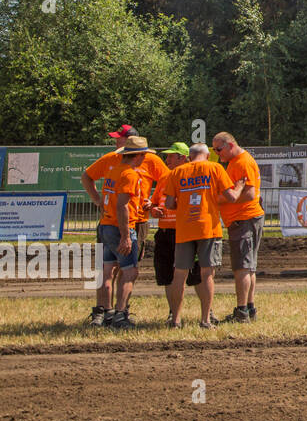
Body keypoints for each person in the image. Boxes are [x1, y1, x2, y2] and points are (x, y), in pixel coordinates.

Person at [162, 144, 240, 328]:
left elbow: (169, 203)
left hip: (184, 229)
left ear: (189, 156)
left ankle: (175, 320)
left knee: (179, 275)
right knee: (207, 274)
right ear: (206, 155)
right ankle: (205, 319)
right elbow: (232, 197)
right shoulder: (215, 168)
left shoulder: (177, 172)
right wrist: (239, 187)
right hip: (208, 228)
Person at [94, 137, 154, 328]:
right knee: (130, 272)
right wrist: (126, 235)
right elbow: (123, 206)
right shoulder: (130, 175)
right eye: (144, 154)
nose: (145, 157)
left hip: (105, 224)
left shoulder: (114, 171)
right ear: (138, 156)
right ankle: (120, 315)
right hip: (119, 227)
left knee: (107, 270)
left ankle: (106, 313)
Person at [213, 132, 265, 323]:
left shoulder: (242, 162)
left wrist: (220, 198)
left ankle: (242, 311)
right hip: (246, 219)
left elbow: (250, 194)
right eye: (213, 150)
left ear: (230, 145)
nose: (217, 154)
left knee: (242, 268)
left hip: (244, 219)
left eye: (219, 149)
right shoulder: (237, 162)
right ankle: (248, 308)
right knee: (248, 267)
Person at [150, 142, 202, 326]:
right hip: (165, 231)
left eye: (171, 156)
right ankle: (173, 313)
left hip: (184, 231)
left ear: (182, 157)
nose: (167, 159)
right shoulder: (165, 178)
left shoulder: (192, 176)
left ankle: (207, 313)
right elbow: (155, 202)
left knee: (196, 274)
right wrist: (154, 209)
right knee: (167, 275)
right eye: (167, 156)